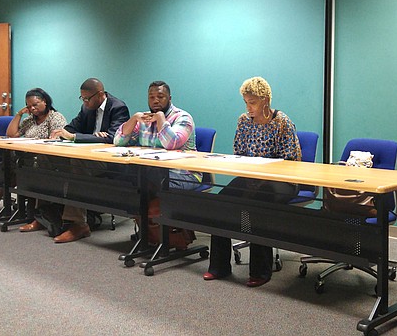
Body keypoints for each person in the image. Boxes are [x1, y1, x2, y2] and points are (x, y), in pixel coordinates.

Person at [204, 76, 301, 288]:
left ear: (265, 100)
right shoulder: (244, 121)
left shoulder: (282, 122)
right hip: (251, 177)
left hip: (281, 181)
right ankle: (219, 266)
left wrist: (265, 171)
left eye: (253, 102)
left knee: (258, 205)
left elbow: (292, 162)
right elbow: (238, 153)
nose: (248, 107)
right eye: (246, 102)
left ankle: (261, 271)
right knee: (220, 203)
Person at [113, 80, 201, 249]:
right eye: (151, 97)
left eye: (160, 97)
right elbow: (118, 141)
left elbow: (171, 143)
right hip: (154, 173)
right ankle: (152, 235)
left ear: (169, 98)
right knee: (130, 177)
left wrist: (161, 119)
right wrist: (134, 119)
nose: (155, 101)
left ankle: (166, 238)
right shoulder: (145, 118)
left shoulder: (183, 118)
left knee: (145, 183)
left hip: (185, 174)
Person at [47, 78, 130, 243]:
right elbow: (72, 127)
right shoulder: (87, 108)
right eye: (82, 98)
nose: (84, 102)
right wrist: (61, 132)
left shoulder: (118, 107)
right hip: (90, 156)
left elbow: (114, 137)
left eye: (87, 98)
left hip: (108, 162)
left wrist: (77, 137)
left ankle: (77, 224)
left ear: (99, 95)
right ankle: (44, 213)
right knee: (48, 158)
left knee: (77, 162)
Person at [0, 89, 66, 224]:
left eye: (35, 104)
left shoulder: (55, 117)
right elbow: (11, 135)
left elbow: (56, 139)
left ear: (45, 102)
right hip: (27, 158)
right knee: (9, 168)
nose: (32, 108)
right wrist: (19, 114)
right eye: (29, 106)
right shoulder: (30, 120)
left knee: (14, 170)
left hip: (45, 161)